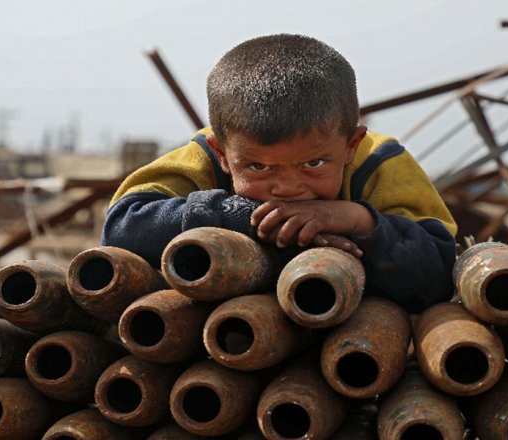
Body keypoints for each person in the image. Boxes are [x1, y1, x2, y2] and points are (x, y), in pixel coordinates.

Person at [102, 34, 457, 313]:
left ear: (351, 145)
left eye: (313, 164)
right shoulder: (202, 158)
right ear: (222, 153)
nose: (286, 188)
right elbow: (122, 228)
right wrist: (244, 219)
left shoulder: (378, 161)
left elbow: (437, 274)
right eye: (258, 167)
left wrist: (357, 222)